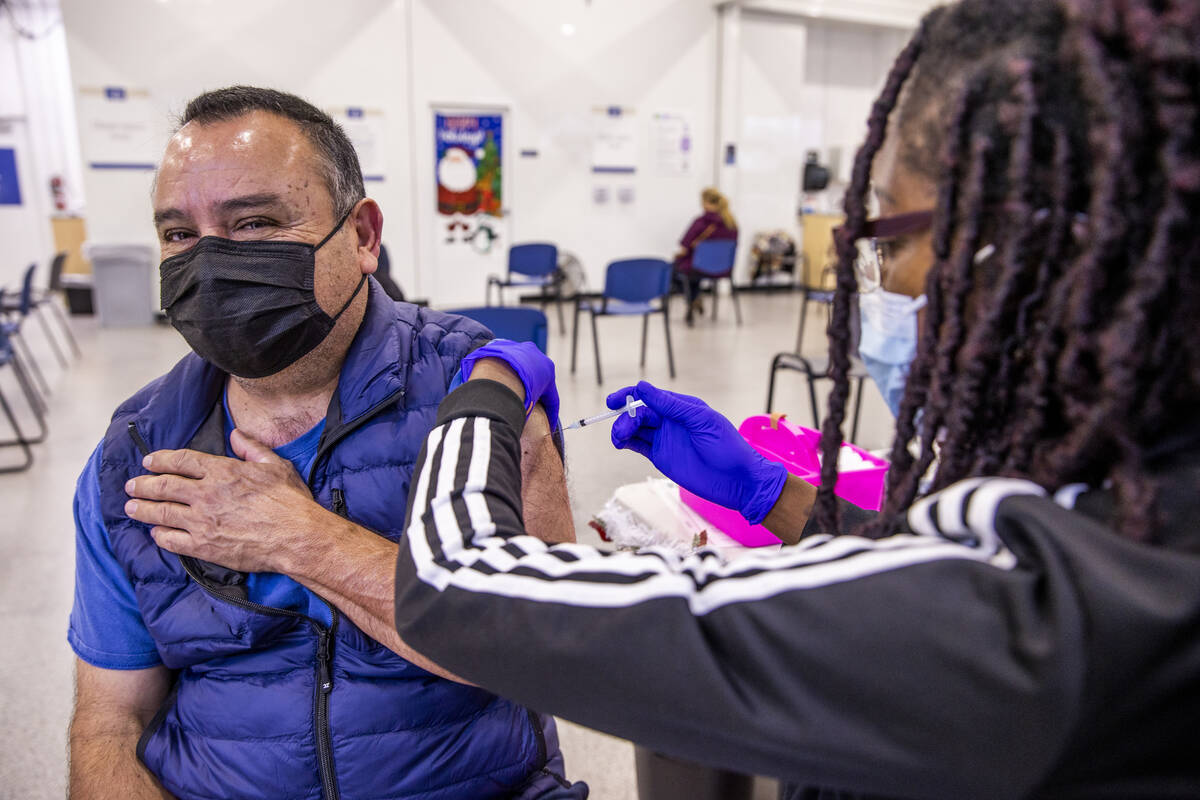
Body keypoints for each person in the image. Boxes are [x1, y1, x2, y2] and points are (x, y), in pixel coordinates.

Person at [123, 0, 1200, 797]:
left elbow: (476, 587)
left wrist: (487, 385)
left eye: (894, 236)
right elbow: (921, 573)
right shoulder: (1134, 508)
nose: (892, 283)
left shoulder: (1071, 611)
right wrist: (771, 492)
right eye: (180, 232)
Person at [68, 86, 585, 800]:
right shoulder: (136, 451)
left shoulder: (476, 395)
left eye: (253, 222)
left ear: (363, 237)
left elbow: (552, 650)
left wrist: (297, 538)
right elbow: (109, 722)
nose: (212, 262)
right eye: (180, 235)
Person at [673, 187, 737, 325]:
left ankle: (693, 299)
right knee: (692, 271)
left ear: (705, 203)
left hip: (697, 267)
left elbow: (685, 247)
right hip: (724, 269)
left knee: (674, 271)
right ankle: (695, 298)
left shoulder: (700, 222)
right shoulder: (732, 224)